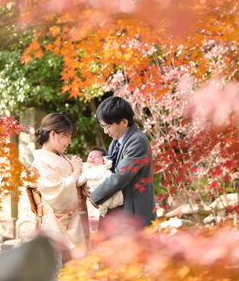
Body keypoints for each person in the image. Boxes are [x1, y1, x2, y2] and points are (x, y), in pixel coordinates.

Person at [88, 96, 156, 227]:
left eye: (107, 126)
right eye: (103, 127)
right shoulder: (115, 142)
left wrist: (95, 196)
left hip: (134, 212)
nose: (106, 131)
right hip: (118, 211)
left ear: (124, 122)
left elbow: (121, 175)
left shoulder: (138, 141)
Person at [31, 113, 86, 262]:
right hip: (57, 224)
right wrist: (76, 172)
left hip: (75, 219)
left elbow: (72, 184)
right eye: (67, 136)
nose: (69, 141)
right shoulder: (40, 162)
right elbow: (55, 193)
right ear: (53, 134)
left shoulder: (61, 157)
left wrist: (83, 187)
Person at [77, 147, 123, 217]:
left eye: (96, 157)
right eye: (90, 157)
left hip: (105, 192)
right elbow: (80, 181)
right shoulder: (87, 170)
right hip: (95, 196)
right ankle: (104, 208)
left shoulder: (104, 170)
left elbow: (78, 182)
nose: (92, 158)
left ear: (104, 160)